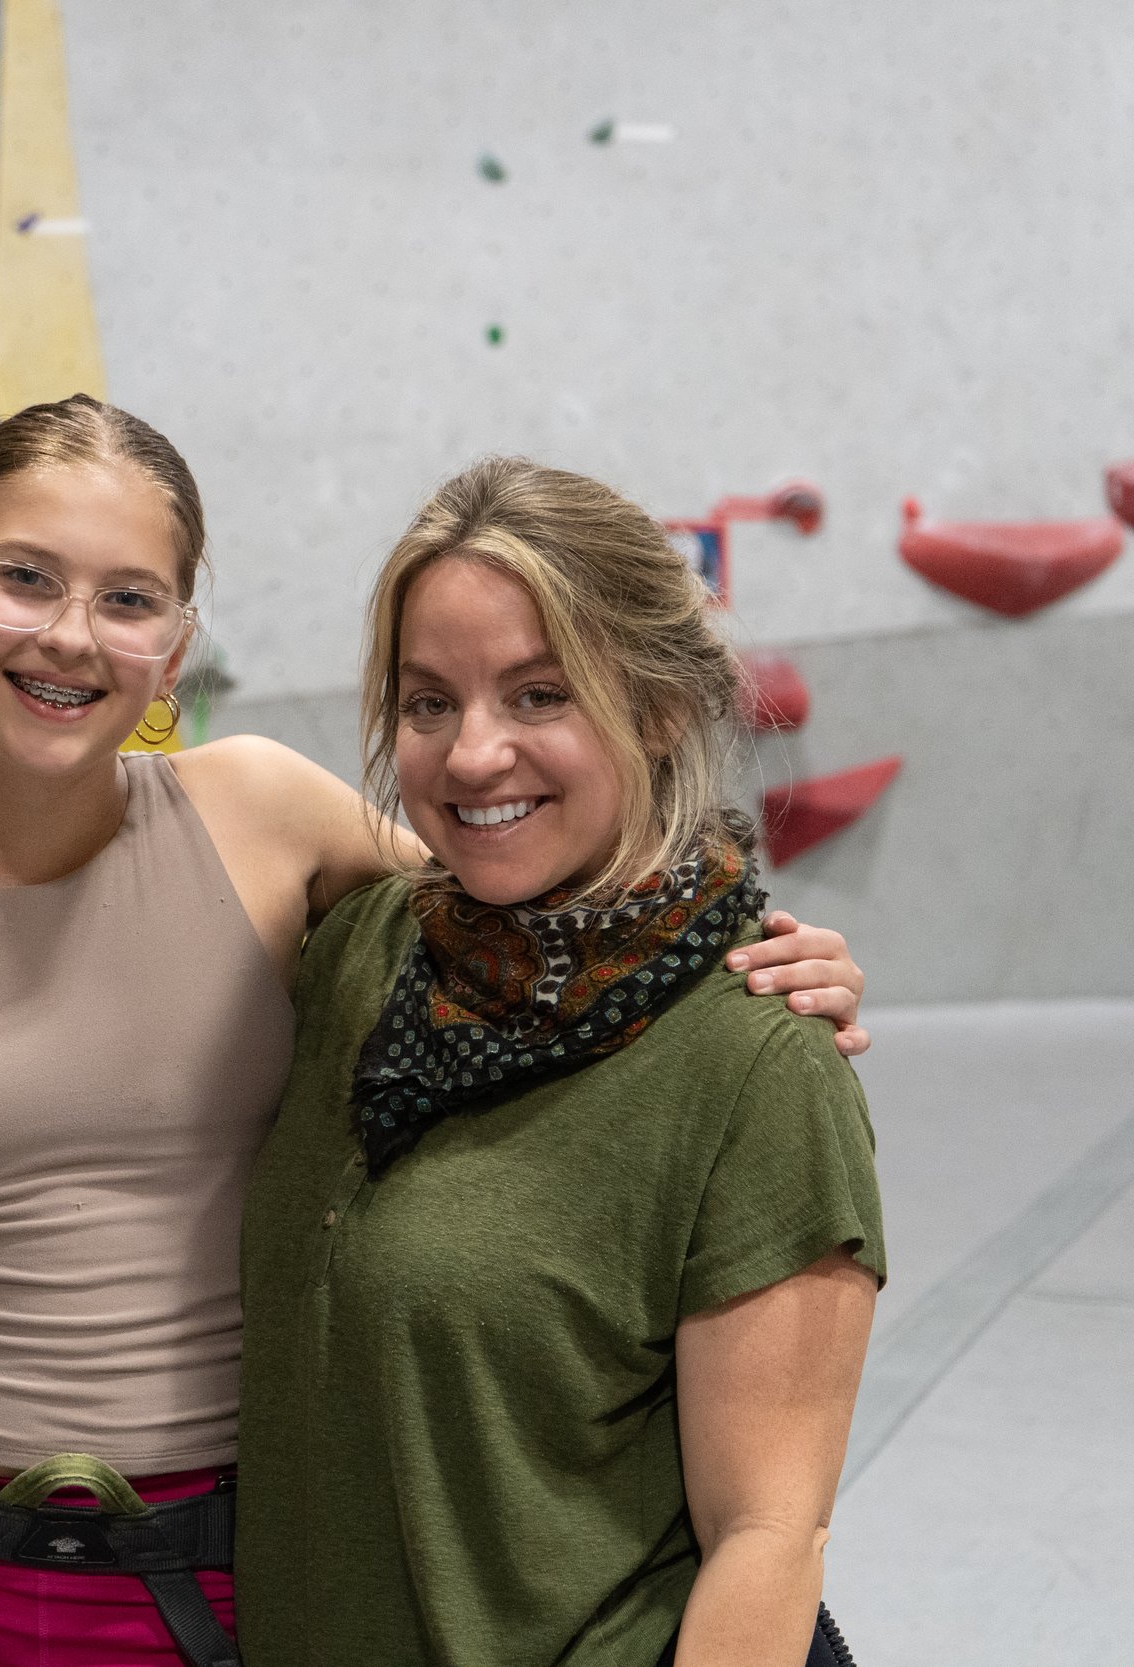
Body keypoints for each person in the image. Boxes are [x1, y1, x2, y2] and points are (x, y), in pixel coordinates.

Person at [0, 397, 872, 1667]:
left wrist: (743, 964)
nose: (70, 634)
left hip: (222, 1585)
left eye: (128, 598)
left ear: (176, 651)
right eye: (23, 577)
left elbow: (519, 888)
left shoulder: (266, 823)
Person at [234, 458, 885, 1667]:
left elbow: (767, 1534)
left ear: (657, 705)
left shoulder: (752, 1053)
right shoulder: (362, 954)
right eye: (428, 703)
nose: (473, 755)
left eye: (539, 695)